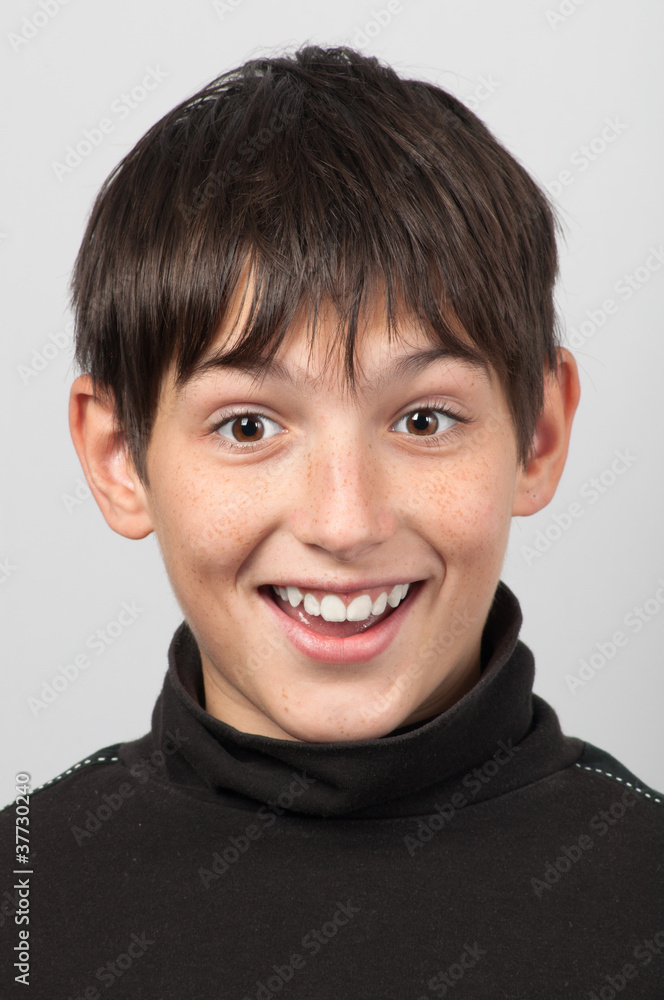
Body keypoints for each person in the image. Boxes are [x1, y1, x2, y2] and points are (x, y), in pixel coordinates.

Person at [2, 44, 663, 999]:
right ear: (120, 460)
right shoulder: (24, 896)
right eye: (248, 426)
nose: (344, 521)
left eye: (423, 419)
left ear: (539, 434)